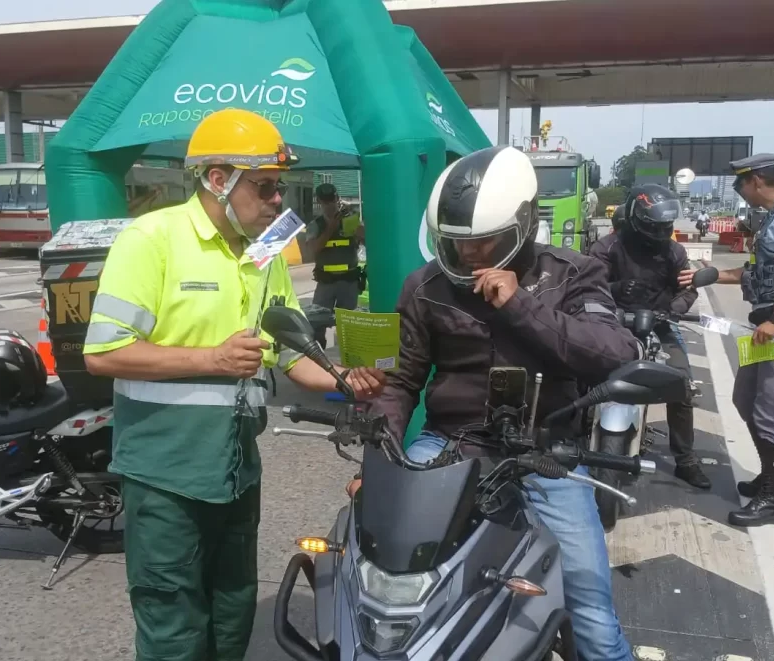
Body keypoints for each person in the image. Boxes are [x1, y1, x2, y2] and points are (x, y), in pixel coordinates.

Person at [82, 108, 386, 661]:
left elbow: (289, 356)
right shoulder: (151, 239)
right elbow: (104, 353)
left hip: (236, 473)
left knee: (232, 617)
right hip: (165, 475)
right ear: (218, 180)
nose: (278, 202)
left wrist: (347, 383)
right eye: (266, 187)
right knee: (173, 624)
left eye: (280, 188)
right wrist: (214, 358)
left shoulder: (264, 251)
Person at [361, 145, 641, 660]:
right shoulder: (424, 287)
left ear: (523, 223)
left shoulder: (573, 273)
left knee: (594, 622)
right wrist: (380, 459)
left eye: (485, 241)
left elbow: (611, 352)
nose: (469, 256)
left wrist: (520, 306)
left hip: (546, 455)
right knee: (387, 575)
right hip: (450, 445)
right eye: (457, 243)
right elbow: (400, 382)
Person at [680, 153, 774, 527]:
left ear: (757, 180)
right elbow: (759, 272)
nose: (739, 191)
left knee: (773, 413)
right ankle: (773, 477)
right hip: (764, 327)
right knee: (745, 400)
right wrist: (710, 274)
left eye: (740, 183)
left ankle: (772, 501)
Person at [589, 184, 711, 490]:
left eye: (664, 226)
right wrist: (614, 290)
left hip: (659, 323)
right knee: (573, 365)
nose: (658, 231)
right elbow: (587, 281)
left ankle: (685, 459)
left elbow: (688, 287)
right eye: (652, 225)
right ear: (634, 217)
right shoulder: (607, 248)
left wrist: (673, 310)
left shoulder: (675, 251)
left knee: (682, 384)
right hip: (611, 320)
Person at [304, 182, 364, 346]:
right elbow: (313, 250)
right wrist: (331, 228)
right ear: (320, 202)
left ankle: (351, 360)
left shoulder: (350, 219)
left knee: (349, 325)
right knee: (316, 322)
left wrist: (355, 226)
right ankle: (318, 356)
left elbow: (367, 240)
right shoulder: (316, 225)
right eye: (325, 201)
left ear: (337, 199)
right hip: (326, 283)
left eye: (332, 200)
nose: (329, 204)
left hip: (349, 282)